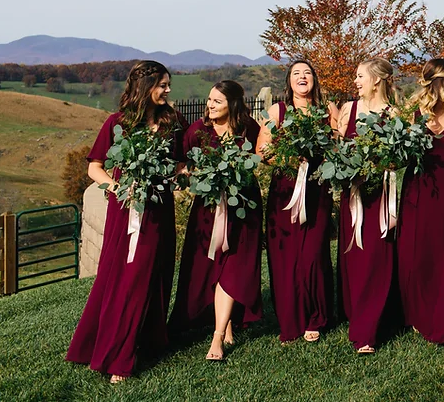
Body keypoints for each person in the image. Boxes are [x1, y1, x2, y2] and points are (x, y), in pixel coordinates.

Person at [66, 60, 184, 383]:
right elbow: (94, 167)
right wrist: (118, 187)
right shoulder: (117, 123)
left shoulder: (173, 120)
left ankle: (146, 341)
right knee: (126, 278)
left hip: (159, 210)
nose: (168, 90)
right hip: (127, 212)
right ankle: (117, 355)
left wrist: (180, 172)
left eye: (168, 84)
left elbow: (179, 162)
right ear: (145, 86)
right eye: (162, 85)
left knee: (154, 276)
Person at [170, 80, 263, 361]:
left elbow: (258, 158)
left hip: (243, 206)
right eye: (209, 100)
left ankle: (218, 336)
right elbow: (181, 164)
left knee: (234, 267)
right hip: (208, 208)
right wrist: (196, 174)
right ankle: (227, 320)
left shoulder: (249, 129)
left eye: (217, 102)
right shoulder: (198, 131)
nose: (210, 105)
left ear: (232, 105)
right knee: (211, 266)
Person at [256, 59, 337, 344]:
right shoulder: (277, 111)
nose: (302, 77)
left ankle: (317, 315)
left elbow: (337, 146)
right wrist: (289, 158)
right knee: (286, 256)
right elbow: (262, 150)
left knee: (314, 254)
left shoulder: (328, 110)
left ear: (314, 79)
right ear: (289, 82)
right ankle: (291, 318)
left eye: (307, 73)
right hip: (285, 191)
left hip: (317, 188)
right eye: (296, 74)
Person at [397, 58, 444, 345]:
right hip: (418, 188)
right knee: (418, 253)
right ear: (442, 81)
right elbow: (401, 152)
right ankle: (416, 313)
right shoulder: (415, 114)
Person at [336, 58, 402, 354]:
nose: (356, 81)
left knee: (375, 257)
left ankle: (367, 330)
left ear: (377, 80)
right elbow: (337, 148)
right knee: (354, 256)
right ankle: (356, 311)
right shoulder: (347, 110)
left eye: (360, 76)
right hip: (351, 193)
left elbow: (401, 157)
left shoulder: (395, 113)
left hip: (379, 194)